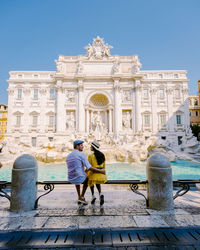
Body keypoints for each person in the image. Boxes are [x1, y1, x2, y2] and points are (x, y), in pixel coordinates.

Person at [66, 140, 106, 205]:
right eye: (81, 145)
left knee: (78, 175)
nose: (83, 147)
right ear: (77, 146)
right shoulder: (81, 154)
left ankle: (80, 196)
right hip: (79, 178)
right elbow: (89, 167)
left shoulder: (69, 156)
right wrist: (101, 171)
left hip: (70, 178)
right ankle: (82, 196)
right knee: (88, 178)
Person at [87, 141, 107, 206]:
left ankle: (93, 195)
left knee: (90, 180)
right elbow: (104, 166)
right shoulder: (102, 155)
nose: (90, 147)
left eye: (91, 146)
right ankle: (100, 193)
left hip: (94, 174)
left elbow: (89, 167)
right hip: (102, 176)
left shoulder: (91, 156)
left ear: (93, 147)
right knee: (97, 181)